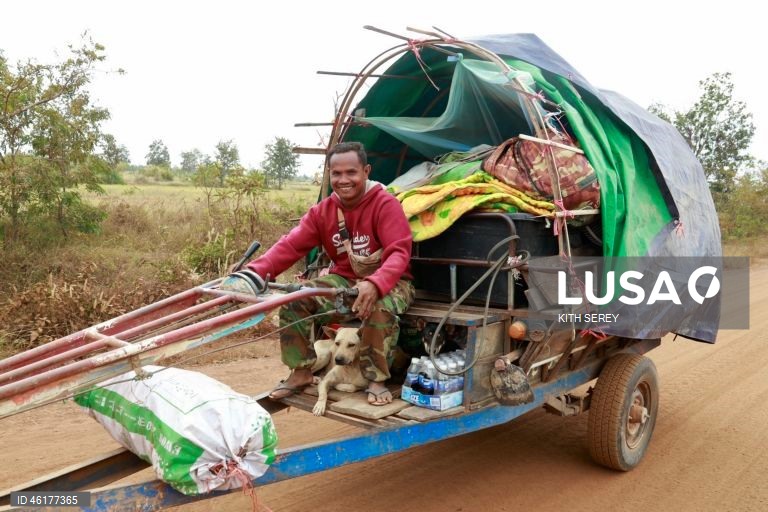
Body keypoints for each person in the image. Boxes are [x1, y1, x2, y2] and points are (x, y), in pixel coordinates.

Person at [239, 142, 414, 405]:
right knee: (297, 298)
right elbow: (291, 245)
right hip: (345, 280)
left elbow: (399, 252)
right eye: (336, 173)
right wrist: (253, 272)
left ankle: (376, 379)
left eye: (351, 172)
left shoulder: (385, 204)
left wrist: (376, 283)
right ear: (329, 174)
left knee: (377, 307)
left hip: (393, 281)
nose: (344, 180)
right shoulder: (323, 211)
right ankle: (301, 372)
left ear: (366, 171)